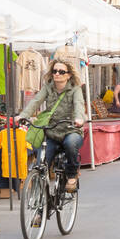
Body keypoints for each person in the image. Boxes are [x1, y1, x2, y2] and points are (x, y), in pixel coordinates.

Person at [21, 58, 87, 193]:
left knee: (70, 144)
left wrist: (79, 118)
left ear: (68, 75)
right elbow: (36, 101)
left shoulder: (75, 90)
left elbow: (79, 105)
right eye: (55, 71)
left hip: (71, 130)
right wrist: (23, 115)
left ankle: (72, 174)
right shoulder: (48, 88)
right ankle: (40, 205)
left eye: (61, 71)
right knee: (41, 163)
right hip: (52, 132)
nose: (57, 74)